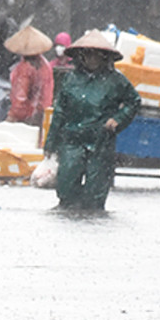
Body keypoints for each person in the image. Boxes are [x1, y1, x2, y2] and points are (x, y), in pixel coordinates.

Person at [43, 30, 141, 211]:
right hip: (72, 139)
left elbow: (133, 102)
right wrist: (51, 143)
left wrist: (118, 119)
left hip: (101, 141)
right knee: (67, 184)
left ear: (104, 57)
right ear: (81, 56)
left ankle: (92, 215)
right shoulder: (71, 80)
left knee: (95, 191)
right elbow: (59, 113)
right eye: (87, 54)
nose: (91, 59)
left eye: (96, 55)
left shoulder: (116, 81)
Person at [4, 25, 54, 126]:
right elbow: (47, 95)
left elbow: (20, 97)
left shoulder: (25, 68)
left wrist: (12, 117)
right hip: (42, 117)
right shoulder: (45, 65)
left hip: (25, 120)